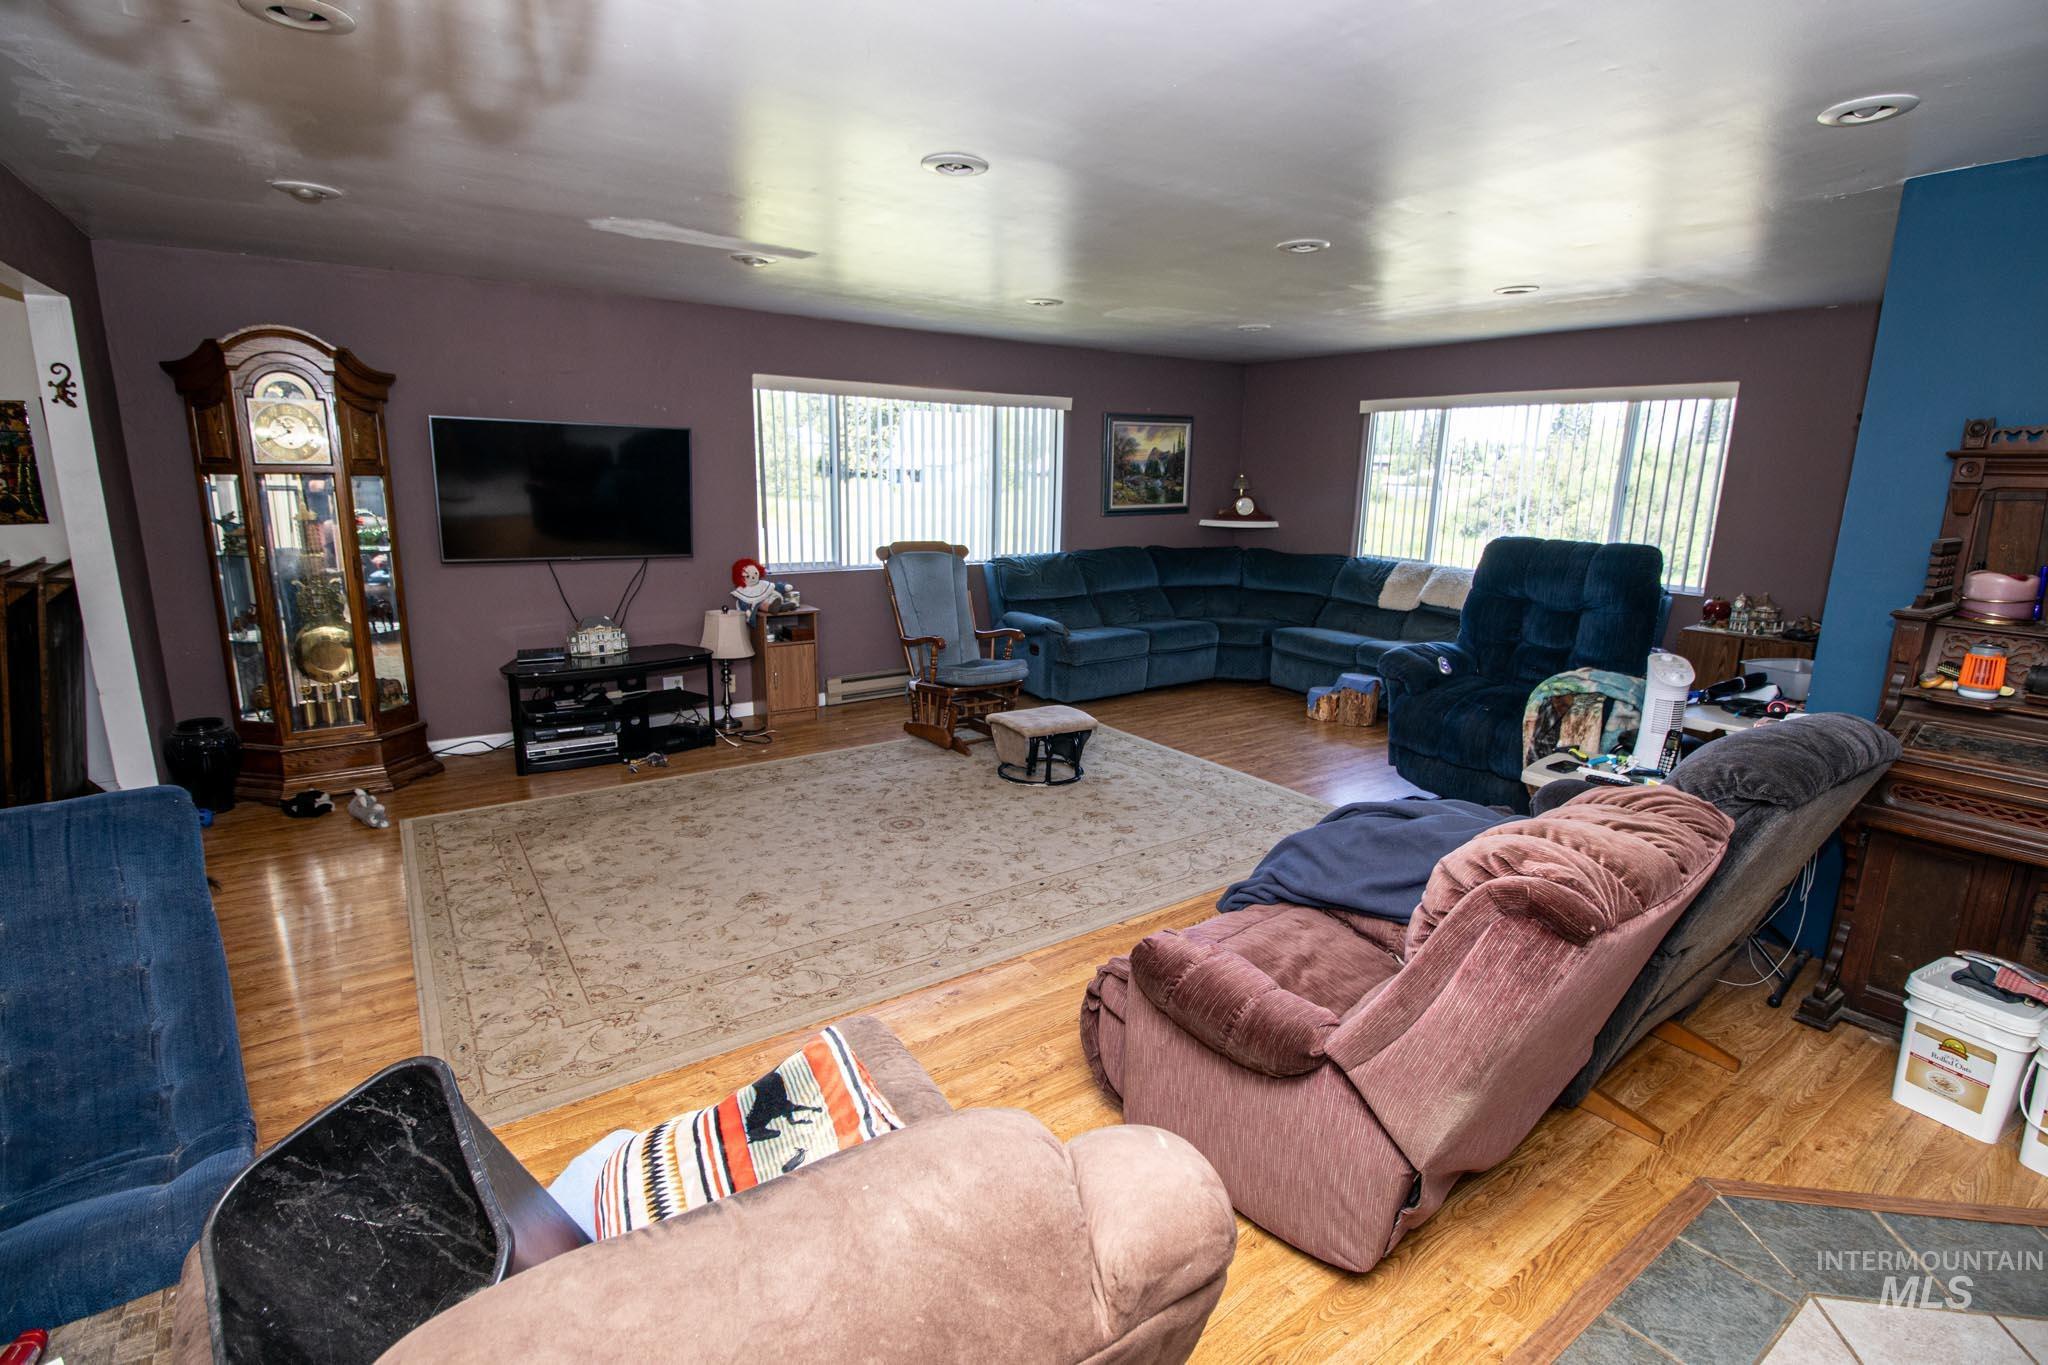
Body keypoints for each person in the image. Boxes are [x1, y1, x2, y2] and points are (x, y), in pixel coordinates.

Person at [730, 557, 790, 622]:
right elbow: (743, 602)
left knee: (773, 596)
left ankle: (780, 607)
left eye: (755, 573)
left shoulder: (762, 583)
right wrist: (747, 611)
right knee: (761, 605)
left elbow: (774, 586)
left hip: (772, 599)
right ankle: (773, 608)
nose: (753, 577)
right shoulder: (743, 590)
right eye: (748, 576)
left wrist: (784, 587)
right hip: (761, 604)